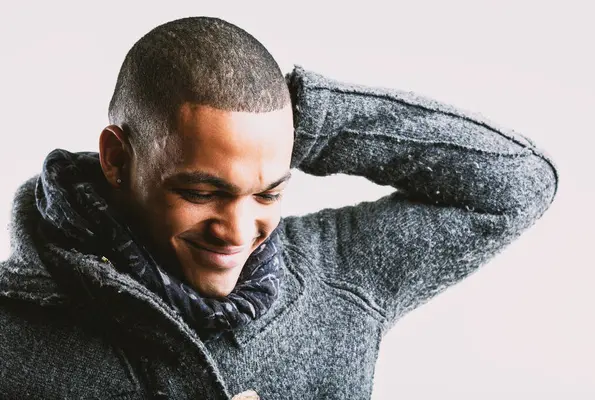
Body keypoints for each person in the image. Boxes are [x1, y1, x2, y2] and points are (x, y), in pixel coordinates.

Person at [0, 16, 558, 400]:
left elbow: (518, 183)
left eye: (268, 193)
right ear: (118, 159)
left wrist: (306, 121)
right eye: (202, 192)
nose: (238, 232)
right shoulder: (15, 331)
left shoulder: (339, 272)